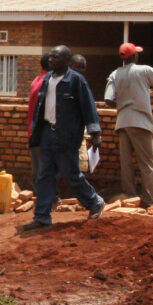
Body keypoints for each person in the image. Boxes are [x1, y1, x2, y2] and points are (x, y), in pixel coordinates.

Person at [26, 45, 104, 228]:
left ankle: (94, 202)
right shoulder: (47, 79)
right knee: (44, 175)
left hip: (67, 135)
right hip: (47, 133)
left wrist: (95, 133)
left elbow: (88, 106)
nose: (51, 60)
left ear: (67, 61)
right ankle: (42, 216)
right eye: (51, 57)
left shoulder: (76, 80)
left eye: (55, 57)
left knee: (70, 173)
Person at [104, 42, 153, 207]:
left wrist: (123, 105)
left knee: (126, 163)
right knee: (147, 164)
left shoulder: (115, 74)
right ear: (134, 56)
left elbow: (108, 99)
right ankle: (149, 201)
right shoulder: (143, 70)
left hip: (123, 121)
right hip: (140, 121)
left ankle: (130, 197)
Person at [26, 52, 51, 184]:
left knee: (38, 167)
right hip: (43, 132)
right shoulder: (49, 81)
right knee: (47, 169)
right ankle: (48, 199)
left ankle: (40, 197)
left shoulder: (36, 80)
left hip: (33, 130)